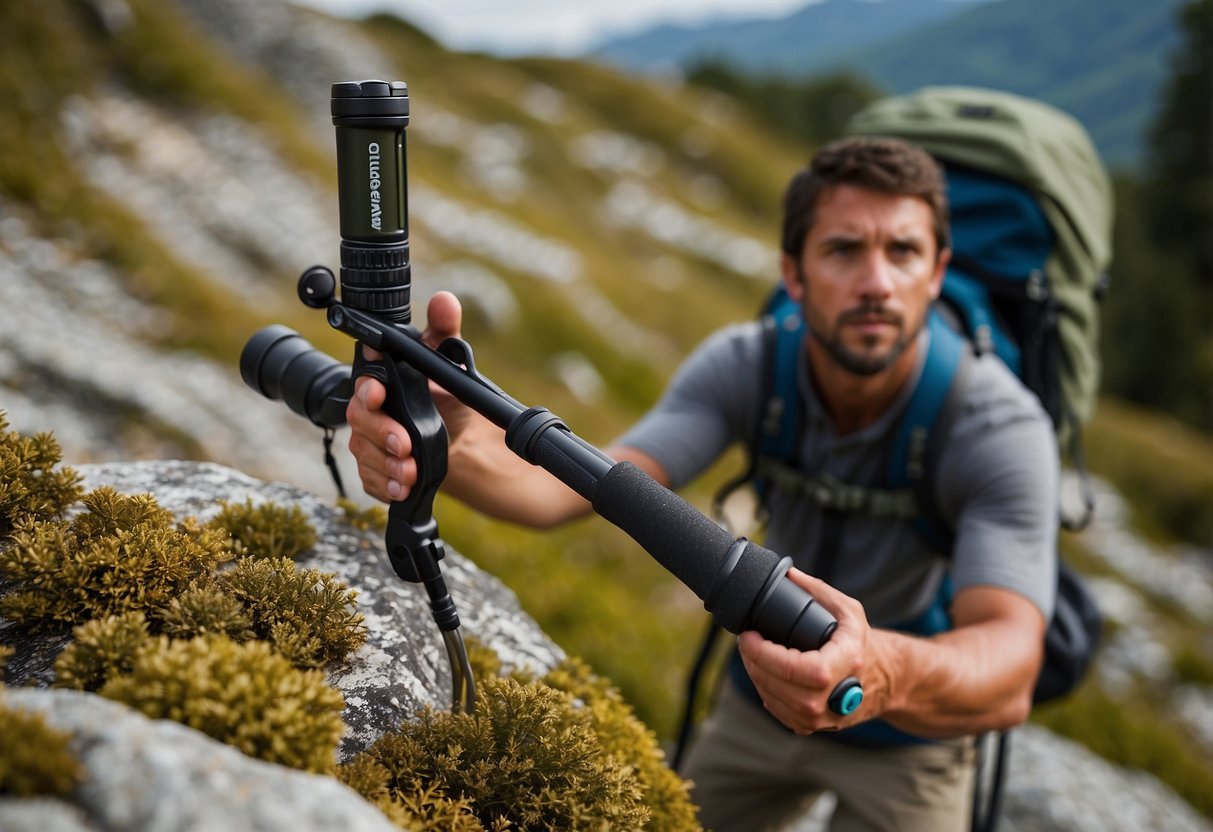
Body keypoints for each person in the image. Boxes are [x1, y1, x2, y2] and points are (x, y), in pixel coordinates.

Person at [346, 135, 1058, 832]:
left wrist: (883, 671)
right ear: (794, 272)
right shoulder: (749, 367)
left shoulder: (995, 426)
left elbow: (1010, 662)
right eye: (843, 249)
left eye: (902, 251)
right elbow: (566, 491)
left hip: (911, 737)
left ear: (936, 271)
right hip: (757, 702)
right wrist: (450, 439)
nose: (876, 282)